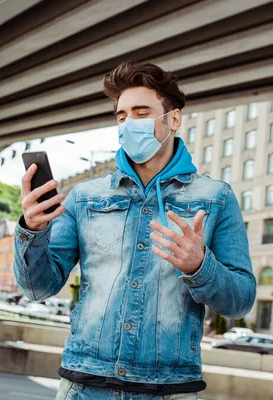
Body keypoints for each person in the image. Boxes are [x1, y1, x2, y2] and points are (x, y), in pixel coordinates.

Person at [14, 61, 256, 400]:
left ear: (173, 119)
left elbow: (241, 301)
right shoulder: (85, 197)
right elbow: (37, 288)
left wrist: (200, 267)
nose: (129, 124)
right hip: (86, 386)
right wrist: (32, 230)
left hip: (169, 390)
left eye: (142, 113)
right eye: (122, 116)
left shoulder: (215, 198)